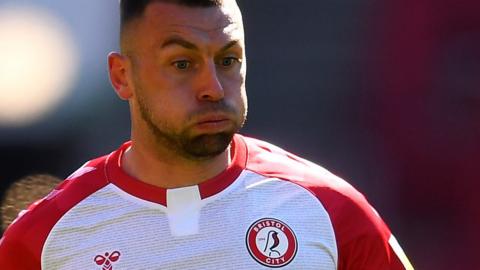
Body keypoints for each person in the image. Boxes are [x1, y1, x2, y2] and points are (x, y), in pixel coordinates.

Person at [0, 0, 413, 269]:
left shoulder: (331, 212)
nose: (213, 87)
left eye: (228, 60)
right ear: (122, 76)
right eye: (182, 63)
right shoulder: (44, 238)